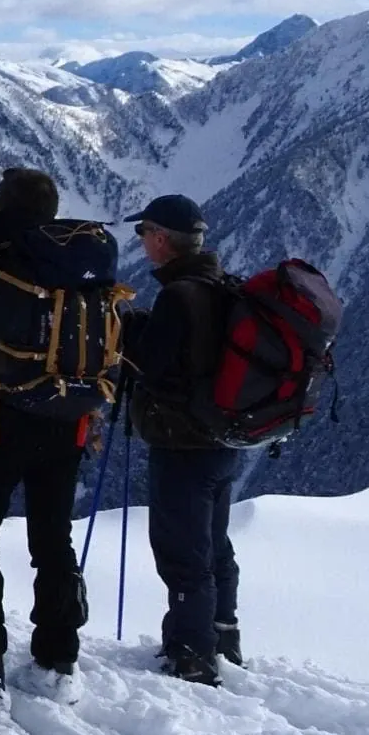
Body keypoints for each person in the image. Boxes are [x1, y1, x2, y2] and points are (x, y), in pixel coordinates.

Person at [0, 168, 109, 713]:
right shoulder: (84, 268)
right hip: (67, 424)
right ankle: (59, 659)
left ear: (1, 205)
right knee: (53, 538)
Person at [122, 194, 242, 687]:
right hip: (224, 436)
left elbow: (150, 366)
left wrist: (129, 338)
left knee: (181, 549)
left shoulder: (177, 295)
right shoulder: (219, 285)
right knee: (214, 543)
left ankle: (192, 654)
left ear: (161, 239)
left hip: (182, 441)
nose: (142, 243)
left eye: (144, 233)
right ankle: (223, 633)